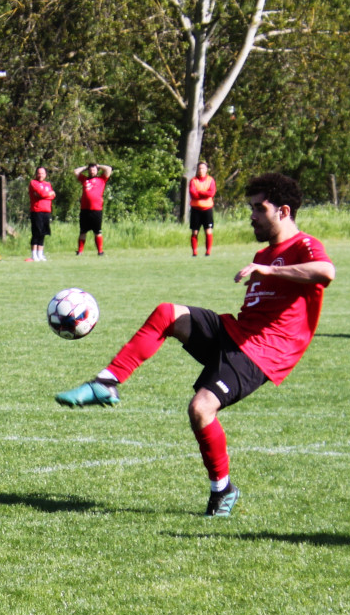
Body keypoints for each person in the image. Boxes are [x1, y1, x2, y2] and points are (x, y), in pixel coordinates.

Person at [55, 173, 334, 519]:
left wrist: (269, 271)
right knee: (168, 314)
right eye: (250, 208)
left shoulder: (302, 246)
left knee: (201, 410)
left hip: (262, 353)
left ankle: (223, 490)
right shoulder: (264, 252)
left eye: (259, 209)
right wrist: (264, 266)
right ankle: (106, 382)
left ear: (284, 211)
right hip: (236, 332)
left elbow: (325, 271)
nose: (252, 216)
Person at [75, 162, 113, 256]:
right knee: (83, 231)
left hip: (96, 209)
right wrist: (86, 167)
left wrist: (98, 165)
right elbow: (76, 171)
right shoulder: (84, 179)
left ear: (97, 171)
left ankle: (100, 251)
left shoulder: (101, 179)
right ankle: (80, 251)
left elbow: (109, 169)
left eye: (94, 169)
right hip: (85, 209)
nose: (92, 171)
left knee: (97, 231)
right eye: (90, 170)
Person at [189, 161, 217, 256]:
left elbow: (211, 193)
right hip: (196, 210)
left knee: (208, 231)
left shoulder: (210, 180)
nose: (201, 170)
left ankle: (208, 251)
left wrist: (200, 192)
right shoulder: (193, 181)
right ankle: (194, 252)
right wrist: (204, 193)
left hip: (207, 209)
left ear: (206, 169)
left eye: (203, 168)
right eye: (199, 168)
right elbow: (193, 194)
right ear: (197, 170)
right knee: (195, 232)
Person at [29, 166, 56, 261]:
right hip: (37, 211)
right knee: (36, 232)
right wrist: (48, 194)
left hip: (46, 211)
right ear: (36, 174)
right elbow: (42, 194)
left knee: (43, 233)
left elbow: (53, 195)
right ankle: (34, 254)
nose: (40, 175)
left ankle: (40, 254)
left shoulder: (48, 184)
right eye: (39, 173)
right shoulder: (33, 183)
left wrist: (46, 194)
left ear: (45, 174)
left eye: (42, 173)